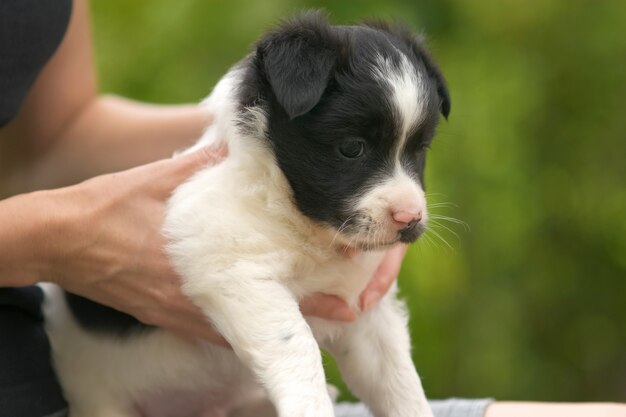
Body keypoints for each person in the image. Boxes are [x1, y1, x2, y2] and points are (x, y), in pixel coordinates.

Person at [0, 1, 623, 417]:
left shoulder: (271, 159)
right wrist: (58, 238)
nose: (409, 202)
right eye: (356, 147)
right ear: (278, 106)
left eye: (414, 153)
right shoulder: (244, 187)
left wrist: (220, 128)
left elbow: (53, 140)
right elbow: (233, 271)